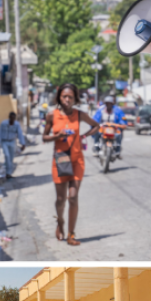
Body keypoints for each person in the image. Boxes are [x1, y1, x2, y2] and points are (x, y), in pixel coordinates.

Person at [42, 83, 100, 246]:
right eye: (64, 96)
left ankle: (71, 234)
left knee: (73, 198)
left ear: (75, 99)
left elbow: (96, 126)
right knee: (61, 200)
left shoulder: (79, 114)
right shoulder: (52, 116)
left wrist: (83, 136)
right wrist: (57, 136)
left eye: (70, 97)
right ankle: (60, 222)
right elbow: (44, 137)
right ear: (59, 98)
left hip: (76, 161)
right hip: (60, 160)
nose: (67, 100)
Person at [0, 111, 27, 179]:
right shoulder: (3, 123)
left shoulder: (17, 124)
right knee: (7, 155)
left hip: (12, 142)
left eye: (14, 118)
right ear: (9, 117)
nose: (12, 119)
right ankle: (7, 172)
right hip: (4, 142)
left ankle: (8, 173)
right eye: (11, 118)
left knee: (11, 158)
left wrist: (23, 144)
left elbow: (20, 134)